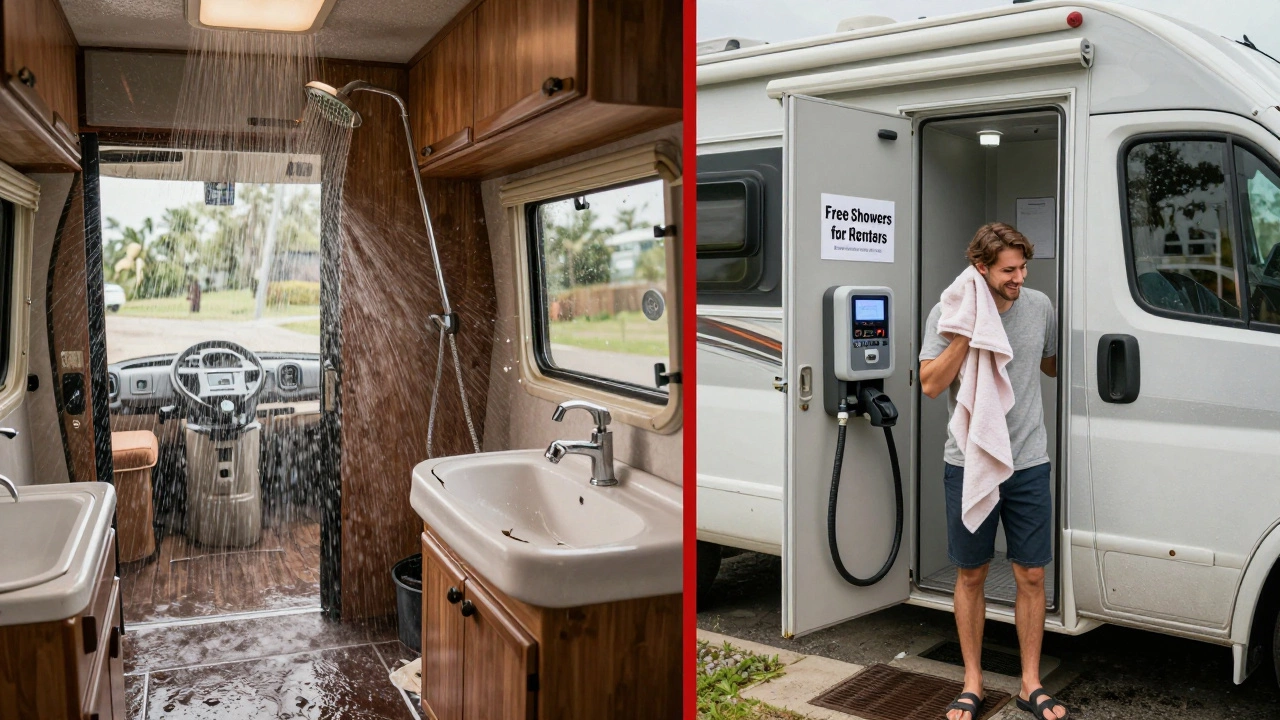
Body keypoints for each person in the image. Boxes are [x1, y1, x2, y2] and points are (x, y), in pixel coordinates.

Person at [918, 222, 1065, 720]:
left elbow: (1048, 365)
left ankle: (1030, 683)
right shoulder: (948, 312)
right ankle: (973, 682)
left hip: (1028, 460)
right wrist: (967, 335)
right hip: (969, 460)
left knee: (1031, 572)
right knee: (972, 572)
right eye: (1009, 270)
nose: (1019, 278)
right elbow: (931, 384)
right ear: (981, 267)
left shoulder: (1040, 306)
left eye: (1023, 267)